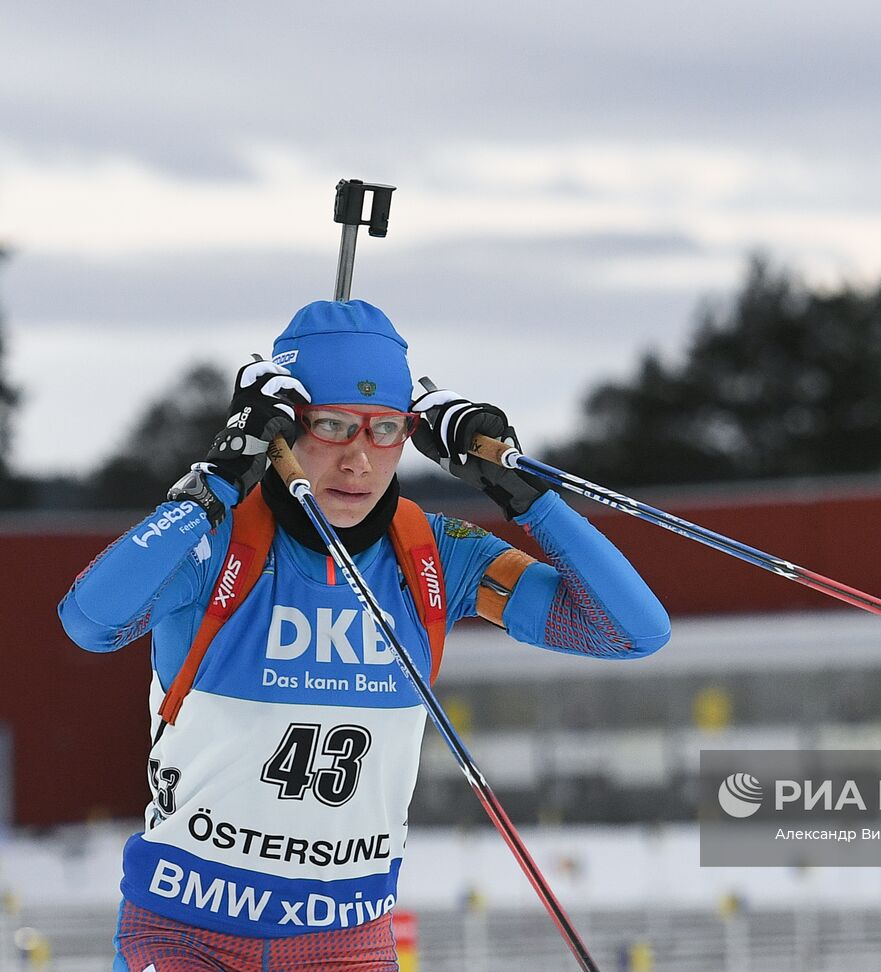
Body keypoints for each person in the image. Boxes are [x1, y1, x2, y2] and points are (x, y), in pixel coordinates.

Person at [58, 300, 671, 970]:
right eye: (332, 426)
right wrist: (220, 477)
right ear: (285, 428)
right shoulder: (220, 539)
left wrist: (524, 493)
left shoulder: (434, 555)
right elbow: (89, 622)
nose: (357, 461)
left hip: (343, 943)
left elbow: (629, 631)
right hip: (186, 935)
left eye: (385, 431)